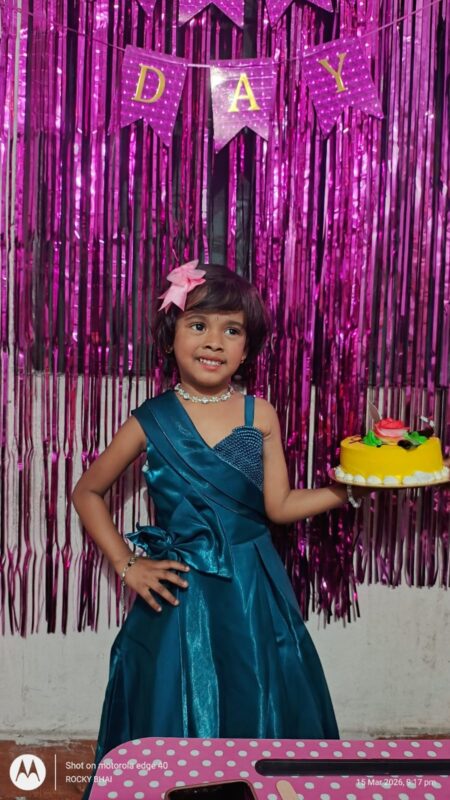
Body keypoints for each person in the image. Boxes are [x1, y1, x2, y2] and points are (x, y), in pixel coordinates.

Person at [73, 260, 365, 797]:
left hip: (253, 588)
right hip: (182, 593)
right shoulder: (149, 420)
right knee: (172, 699)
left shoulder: (260, 415)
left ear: (247, 349)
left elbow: (279, 506)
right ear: (171, 337)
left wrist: (346, 490)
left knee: (259, 691)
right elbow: (86, 492)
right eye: (198, 325)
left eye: (232, 330)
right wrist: (127, 564)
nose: (214, 341)